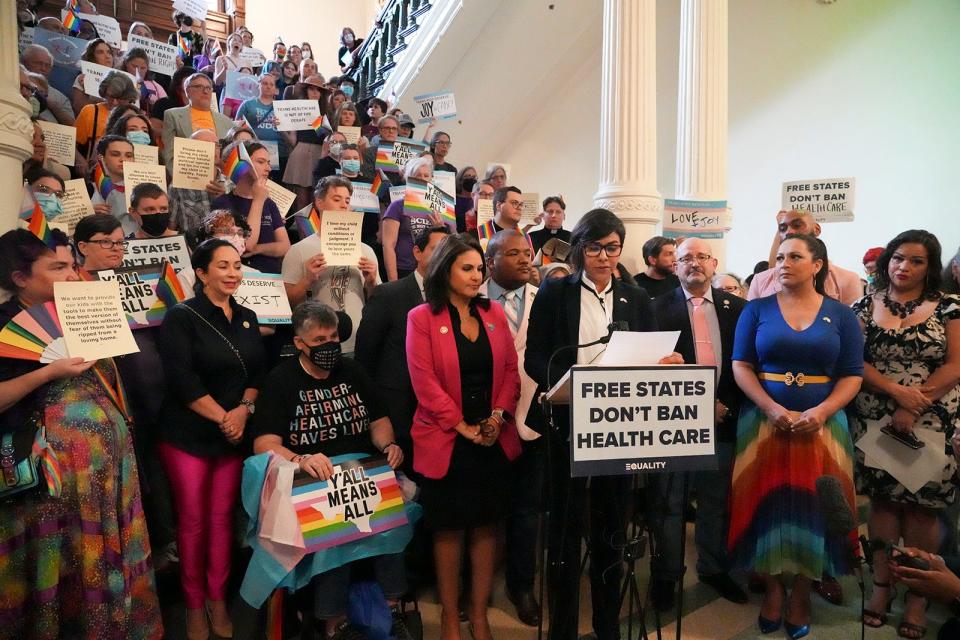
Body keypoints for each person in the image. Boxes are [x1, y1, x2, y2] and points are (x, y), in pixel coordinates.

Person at [0, 229, 163, 639]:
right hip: (48, 484)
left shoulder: (82, 308)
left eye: (72, 265)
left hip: (110, 473)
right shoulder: (5, 325)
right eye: (57, 268)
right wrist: (50, 371)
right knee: (62, 564)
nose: (72, 275)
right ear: (20, 278)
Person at [524, 209, 679, 640]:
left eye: (612, 248)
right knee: (565, 531)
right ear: (579, 249)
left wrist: (665, 363)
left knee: (612, 526)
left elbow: (647, 355)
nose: (604, 257)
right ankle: (564, 628)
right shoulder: (555, 294)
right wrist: (564, 384)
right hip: (566, 423)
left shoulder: (636, 299)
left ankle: (608, 624)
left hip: (617, 428)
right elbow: (535, 357)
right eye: (594, 247)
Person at [727, 233, 864, 639]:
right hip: (763, 423)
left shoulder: (841, 315)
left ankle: (803, 589)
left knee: (816, 505)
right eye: (780, 257)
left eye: (795, 257)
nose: (783, 263)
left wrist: (821, 411)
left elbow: (852, 374)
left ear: (817, 264)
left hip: (823, 426)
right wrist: (772, 408)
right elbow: (741, 366)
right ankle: (771, 587)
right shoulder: (755, 310)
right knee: (765, 500)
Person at [252, 302, 414, 640]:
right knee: (333, 536)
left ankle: (392, 607)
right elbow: (264, 443)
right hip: (313, 480)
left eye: (334, 337)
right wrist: (301, 459)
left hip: (363, 470)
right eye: (320, 339)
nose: (329, 346)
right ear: (299, 344)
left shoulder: (353, 371)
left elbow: (379, 421)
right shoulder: (281, 381)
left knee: (393, 521)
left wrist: (388, 446)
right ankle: (333, 622)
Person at [406, 234, 522, 640]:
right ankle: (453, 619)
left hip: (492, 436)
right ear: (445, 270)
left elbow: (510, 372)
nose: (477, 276)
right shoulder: (421, 317)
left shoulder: (493, 314)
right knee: (450, 529)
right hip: (447, 437)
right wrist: (462, 426)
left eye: (479, 268)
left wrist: (495, 419)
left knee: (488, 528)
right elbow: (425, 383)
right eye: (467, 268)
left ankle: (480, 614)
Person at [850, 230, 960, 638]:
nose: (904, 267)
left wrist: (913, 403)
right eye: (898, 258)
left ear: (930, 267)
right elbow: (854, 360)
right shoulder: (864, 304)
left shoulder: (950, 306)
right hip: (875, 414)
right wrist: (894, 393)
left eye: (916, 261)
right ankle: (881, 587)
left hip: (931, 416)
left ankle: (917, 596)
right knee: (882, 504)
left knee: (921, 509)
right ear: (887, 262)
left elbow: (956, 364)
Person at [158, 238, 266, 640]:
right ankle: (192, 606)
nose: (233, 273)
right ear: (201, 273)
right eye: (223, 266)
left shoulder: (248, 316)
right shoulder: (181, 317)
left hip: (231, 434)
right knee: (192, 523)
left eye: (237, 266)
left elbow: (257, 373)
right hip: (188, 435)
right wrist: (226, 418)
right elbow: (182, 381)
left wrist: (243, 412)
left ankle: (218, 600)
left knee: (223, 522)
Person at [648, 238, 749, 611]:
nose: (694, 264)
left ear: (714, 263)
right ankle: (666, 576)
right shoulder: (655, 308)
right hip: (673, 424)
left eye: (701, 257)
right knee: (670, 505)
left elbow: (748, 364)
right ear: (675, 266)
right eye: (686, 258)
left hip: (724, 419)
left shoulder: (738, 308)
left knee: (715, 501)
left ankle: (713, 568)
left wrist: (728, 405)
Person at [477, 229, 544, 626]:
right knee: (483, 509)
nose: (524, 259)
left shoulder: (544, 299)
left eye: (528, 252)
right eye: (514, 253)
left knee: (527, 510)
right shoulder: (470, 298)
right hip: (483, 423)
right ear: (491, 261)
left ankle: (522, 585)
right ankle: (477, 589)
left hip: (533, 420)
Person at [355, 225, 452, 469]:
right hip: (398, 412)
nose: (444, 256)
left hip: (442, 412)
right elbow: (365, 356)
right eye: (437, 249)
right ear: (417, 252)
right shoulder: (389, 294)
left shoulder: (454, 298)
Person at [282, 176, 379, 355]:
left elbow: (376, 301)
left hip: (358, 340)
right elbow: (287, 302)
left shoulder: (365, 250)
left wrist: (372, 281)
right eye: (336, 199)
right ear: (319, 202)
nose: (344, 205)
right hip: (317, 344)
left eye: (347, 201)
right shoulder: (298, 250)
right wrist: (307, 279)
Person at [749, 210, 863, 305]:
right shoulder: (760, 281)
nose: (789, 232)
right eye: (783, 228)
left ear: (816, 229)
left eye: (797, 225)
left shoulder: (847, 280)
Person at [211, 140, 291, 273]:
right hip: (239, 276)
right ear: (243, 165)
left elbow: (285, 246)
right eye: (261, 162)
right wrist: (258, 200)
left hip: (270, 277)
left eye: (268, 163)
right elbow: (247, 245)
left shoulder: (269, 203)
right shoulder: (223, 204)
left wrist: (259, 249)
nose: (268, 168)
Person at [382, 156, 442, 281]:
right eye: (417, 175)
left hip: (431, 271)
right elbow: (388, 245)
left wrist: (439, 229)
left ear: (431, 180)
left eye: (426, 176)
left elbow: (446, 245)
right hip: (403, 270)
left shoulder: (439, 209)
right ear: (408, 179)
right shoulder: (397, 206)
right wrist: (393, 281)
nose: (422, 179)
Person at [161, 73, 236, 166]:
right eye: (199, 87)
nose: (205, 91)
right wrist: (178, 177)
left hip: (219, 175)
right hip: (187, 172)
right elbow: (169, 153)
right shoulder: (173, 115)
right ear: (187, 91)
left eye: (208, 88)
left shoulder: (227, 122)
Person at [168, 129, 228, 235]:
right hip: (193, 246)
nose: (213, 149)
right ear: (192, 150)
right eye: (205, 145)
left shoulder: (231, 183)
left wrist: (224, 200)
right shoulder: (178, 185)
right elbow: (171, 227)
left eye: (216, 145)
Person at [283, 74, 329, 209]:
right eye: (311, 89)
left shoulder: (326, 113)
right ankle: (304, 231)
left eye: (318, 90)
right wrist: (280, 128)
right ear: (305, 91)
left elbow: (328, 139)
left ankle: (314, 229)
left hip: (319, 154)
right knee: (302, 200)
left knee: (317, 200)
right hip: (301, 152)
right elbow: (293, 140)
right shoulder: (297, 110)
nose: (315, 93)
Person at [236, 72, 293, 181]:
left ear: (275, 88)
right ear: (259, 85)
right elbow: (236, 127)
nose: (268, 86)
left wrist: (281, 127)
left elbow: (289, 136)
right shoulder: (247, 104)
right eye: (265, 83)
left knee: (275, 187)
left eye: (271, 84)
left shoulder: (282, 107)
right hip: (252, 152)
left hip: (278, 154)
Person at [75, 70, 138, 163]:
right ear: (104, 92)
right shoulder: (90, 111)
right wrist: (81, 162)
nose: (114, 102)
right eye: (110, 97)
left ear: (128, 97)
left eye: (120, 98)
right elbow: (72, 144)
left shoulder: (137, 118)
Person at [90, 134, 138, 234]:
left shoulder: (143, 190)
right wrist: (89, 215)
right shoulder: (88, 190)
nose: (123, 159)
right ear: (102, 158)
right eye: (115, 154)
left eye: (129, 156)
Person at [20, 44, 75, 126]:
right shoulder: (13, 84)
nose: (43, 68)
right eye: (38, 63)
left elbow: (72, 127)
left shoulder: (60, 98)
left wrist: (51, 104)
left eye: (47, 65)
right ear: (24, 62)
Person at [72, 38, 114, 115]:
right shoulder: (82, 78)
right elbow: (78, 108)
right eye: (100, 52)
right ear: (91, 57)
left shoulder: (121, 80)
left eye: (109, 52)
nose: (107, 56)